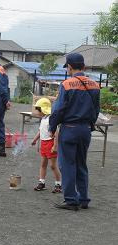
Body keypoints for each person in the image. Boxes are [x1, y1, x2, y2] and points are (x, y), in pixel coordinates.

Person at [49, 53, 100, 211]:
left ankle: (71, 199)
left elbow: (58, 110)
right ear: (83, 66)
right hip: (85, 130)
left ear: (69, 67)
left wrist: (52, 127)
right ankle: (83, 198)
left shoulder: (66, 84)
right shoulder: (95, 85)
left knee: (67, 164)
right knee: (81, 163)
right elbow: (96, 110)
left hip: (69, 129)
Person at [31, 98, 62, 193]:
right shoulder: (43, 119)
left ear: (43, 109)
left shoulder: (51, 119)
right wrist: (35, 140)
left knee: (53, 166)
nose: (36, 111)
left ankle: (58, 184)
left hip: (50, 143)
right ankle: (42, 182)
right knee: (43, 164)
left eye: (37, 109)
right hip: (44, 143)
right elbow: (41, 131)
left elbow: (56, 133)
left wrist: (55, 146)